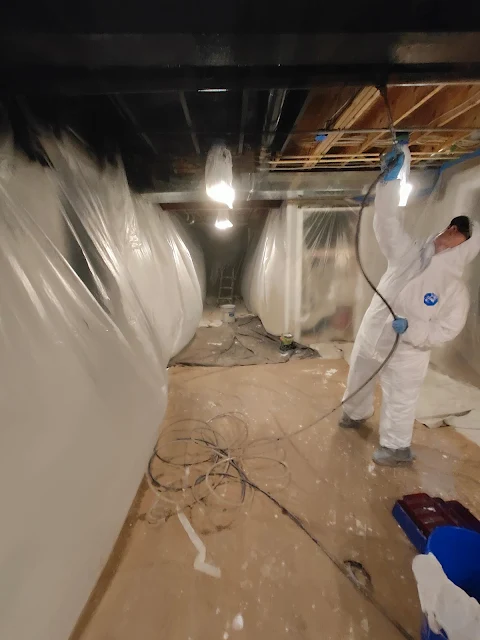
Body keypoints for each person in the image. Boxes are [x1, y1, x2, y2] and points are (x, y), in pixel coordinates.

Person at [339, 145, 480, 466]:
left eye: (460, 232)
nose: (451, 231)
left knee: (400, 398)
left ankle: (396, 447)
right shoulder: (409, 254)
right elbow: (386, 223)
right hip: (374, 333)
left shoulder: (454, 290)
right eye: (452, 226)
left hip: (407, 351)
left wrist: (412, 329)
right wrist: (388, 184)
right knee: (359, 376)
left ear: (468, 244)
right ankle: (354, 413)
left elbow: (446, 329)